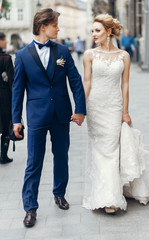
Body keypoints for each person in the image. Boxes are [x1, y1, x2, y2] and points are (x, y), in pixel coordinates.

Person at [12, 8, 86, 228]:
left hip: (61, 113)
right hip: (36, 116)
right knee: (33, 162)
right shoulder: (23, 56)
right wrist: (16, 119)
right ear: (43, 26)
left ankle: (59, 193)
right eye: (55, 25)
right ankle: (30, 208)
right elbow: (18, 90)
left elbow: (76, 81)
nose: (58, 28)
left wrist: (80, 109)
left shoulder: (63, 51)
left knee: (61, 156)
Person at [82, 14, 149, 214]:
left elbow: (125, 84)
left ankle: (113, 194)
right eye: (92, 31)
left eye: (97, 30)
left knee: (113, 148)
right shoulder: (88, 55)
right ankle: (107, 196)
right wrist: (80, 107)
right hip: (95, 106)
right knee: (100, 150)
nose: (94, 34)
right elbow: (87, 83)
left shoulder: (124, 56)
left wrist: (125, 111)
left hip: (114, 107)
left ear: (108, 31)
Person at [0, 32, 14, 164]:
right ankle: (3, 155)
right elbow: (12, 82)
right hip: (4, 97)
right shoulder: (6, 58)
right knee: (5, 125)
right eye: (4, 40)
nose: (6, 42)